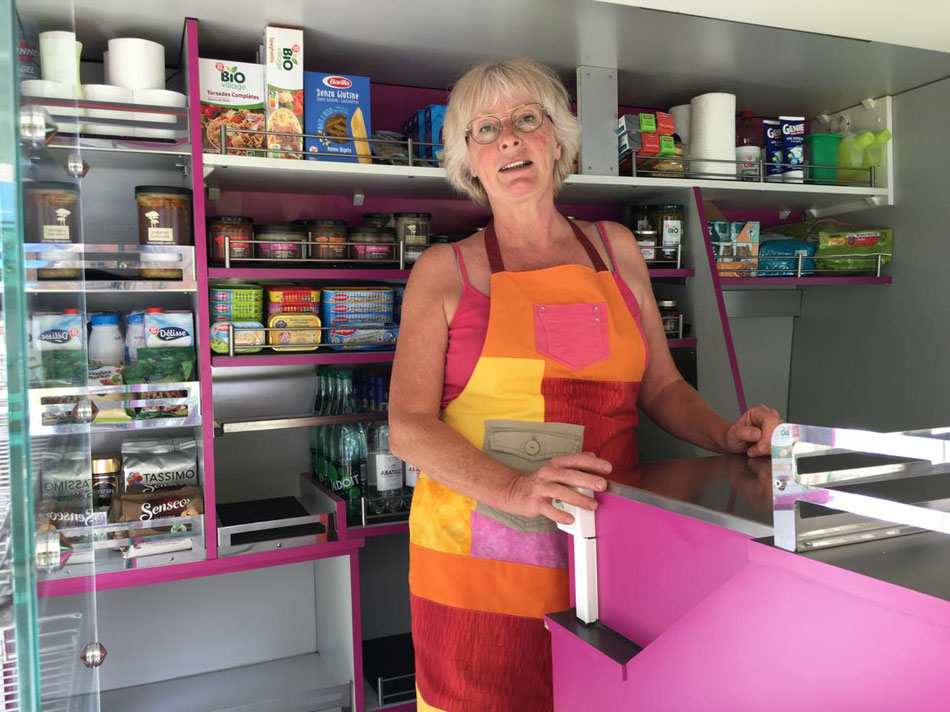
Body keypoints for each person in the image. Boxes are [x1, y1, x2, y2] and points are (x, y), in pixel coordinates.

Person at [389, 58, 780, 712]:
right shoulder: (443, 270)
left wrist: (724, 431)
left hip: (611, 548)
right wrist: (517, 488)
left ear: (558, 141)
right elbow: (407, 428)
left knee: (608, 694)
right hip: (480, 574)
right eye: (487, 129)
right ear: (468, 160)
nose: (510, 139)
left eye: (526, 120)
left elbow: (659, 385)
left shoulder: (616, 249)